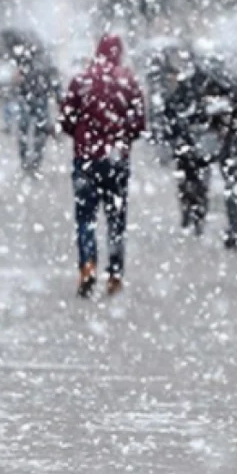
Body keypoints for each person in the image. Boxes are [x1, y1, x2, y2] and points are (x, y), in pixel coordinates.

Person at [59, 34, 146, 297]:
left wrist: (82, 136)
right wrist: (120, 138)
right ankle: (115, 274)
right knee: (116, 219)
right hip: (116, 161)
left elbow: (66, 119)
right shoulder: (128, 82)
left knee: (86, 217)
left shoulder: (82, 80)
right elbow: (138, 123)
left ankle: (87, 265)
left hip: (86, 158)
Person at [164, 54, 237, 248]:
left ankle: (197, 220)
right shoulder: (232, 86)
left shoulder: (194, 85)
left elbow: (173, 110)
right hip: (217, 141)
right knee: (227, 185)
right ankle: (229, 227)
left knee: (197, 182)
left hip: (206, 141)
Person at [12, 39, 60, 174]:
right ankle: (34, 162)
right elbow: (55, 84)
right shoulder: (45, 64)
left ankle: (28, 162)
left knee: (27, 132)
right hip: (37, 100)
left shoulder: (26, 62)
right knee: (38, 132)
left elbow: (17, 83)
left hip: (30, 100)